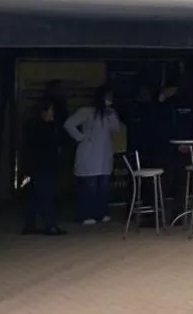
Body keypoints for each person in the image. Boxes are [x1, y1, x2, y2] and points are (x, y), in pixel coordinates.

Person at [64, 86, 123, 225]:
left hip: (104, 154)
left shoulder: (109, 113)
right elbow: (68, 124)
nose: (110, 99)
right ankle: (85, 214)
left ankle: (101, 213)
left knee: (103, 186)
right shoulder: (86, 111)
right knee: (89, 186)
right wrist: (81, 137)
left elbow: (117, 128)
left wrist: (112, 114)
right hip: (89, 152)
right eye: (108, 97)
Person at [145, 80, 193, 217]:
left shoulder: (165, 105)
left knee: (162, 183)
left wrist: (158, 102)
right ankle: (179, 215)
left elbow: (160, 127)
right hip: (185, 150)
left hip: (166, 150)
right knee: (181, 183)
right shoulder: (189, 104)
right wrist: (188, 144)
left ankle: (157, 216)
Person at [21, 100, 66, 235]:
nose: (53, 113)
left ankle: (30, 224)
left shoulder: (32, 126)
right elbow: (53, 143)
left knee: (36, 195)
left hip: (38, 165)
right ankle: (50, 225)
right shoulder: (44, 128)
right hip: (44, 165)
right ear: (43, 113)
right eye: (50, 110)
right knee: (46, 194)